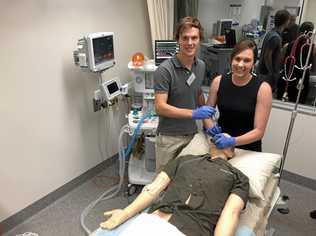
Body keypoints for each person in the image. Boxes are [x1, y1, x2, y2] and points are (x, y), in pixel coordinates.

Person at [99, 139, 249, 236]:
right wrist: (125, 213)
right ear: (210, 144)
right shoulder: (185, 159)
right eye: (217, 137)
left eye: (226, 139)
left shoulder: (238, 177)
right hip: (151, 221)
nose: (219, 138)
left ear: (231, 152)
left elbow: (231, 213)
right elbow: (154, 188)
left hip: (192, 229)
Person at [154, 16, 215, 171]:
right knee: (163, 185)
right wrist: (194, 113)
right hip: (169, 138)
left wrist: (209, 123)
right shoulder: (165, 70)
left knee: (186, 181)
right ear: (178, 40)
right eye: (185, 38)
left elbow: (197, 92)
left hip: (191, 136)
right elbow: (160, 107)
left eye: (194, 38)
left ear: (200, 39)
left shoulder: (200, 66)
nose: (190, 43)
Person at [204, 39, 272, 152]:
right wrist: (211, 127)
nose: (240, 64)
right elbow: (206, 114)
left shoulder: (263, 89)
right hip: (220, 144)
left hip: (247, 149)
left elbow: (259, 131)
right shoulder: (218, 82)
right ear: (231, 59)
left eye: (247, 60)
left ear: (254, 63)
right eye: (237, 59)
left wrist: (233, 141)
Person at [277, 21, 316, 104]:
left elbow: (280, 65)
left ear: (299, 31)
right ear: (311, 34)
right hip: (301, 83)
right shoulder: (313, 49)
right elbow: (313, 69)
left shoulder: (287, 46)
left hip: (286, 80)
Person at [257, 9, 291, 91]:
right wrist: (272, 72)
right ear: (285, 21)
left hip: (264, 72)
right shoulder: (275, 37)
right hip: (266, 73)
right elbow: (267, 56)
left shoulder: (271, 33)